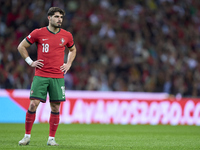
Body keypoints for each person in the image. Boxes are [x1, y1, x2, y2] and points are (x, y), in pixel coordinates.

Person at [18, 7, 76, 146]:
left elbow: (72, 49)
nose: (59, 19)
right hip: (41, 75)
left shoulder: (67, 35)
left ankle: (51, 139)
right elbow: (21, 46)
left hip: (57, 76)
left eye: (61, 17)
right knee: (33, 104)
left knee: (55, 108)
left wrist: (68, 64)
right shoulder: (38, 33)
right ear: (49, 18)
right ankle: (26, 136)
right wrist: (30, 62)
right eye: (56, 16)